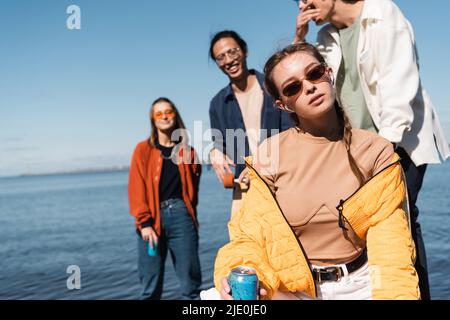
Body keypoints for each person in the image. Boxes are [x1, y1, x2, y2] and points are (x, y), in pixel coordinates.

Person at [213, 43, 420, 300]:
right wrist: (244, 276)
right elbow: (250, 236)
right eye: (292, 88)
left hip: (362, 284)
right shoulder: (269, 155)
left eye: (314, 73)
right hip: (294, 288)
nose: (309, 86)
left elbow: (391, 246)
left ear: (329, 73)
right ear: (283, 105)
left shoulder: (375, 150)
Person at [292, 0, 450, 299]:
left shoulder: (381, 12)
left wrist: (383, 151)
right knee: (365, 232)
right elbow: (301, 78)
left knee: (399, 224)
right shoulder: (326, 36)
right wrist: (299, 38)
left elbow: (400, 86)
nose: (304, 3)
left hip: (399, 141)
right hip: (356, 147)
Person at [208, 30, 294, 217]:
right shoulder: (217, 104)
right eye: (220, 57)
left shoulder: (273, 86)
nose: (228, 60)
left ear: (244, 50)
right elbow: (220, 144)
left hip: (284, 183)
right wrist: (214, 151)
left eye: (232, 52)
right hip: (246, 189)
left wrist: (260, 165)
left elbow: (292, 134)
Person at [128, 97, 202, 300]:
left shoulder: (188, 152)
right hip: (151, 221)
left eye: (168, 112)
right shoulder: (142, 150)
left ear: (175, 115)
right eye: (159, 113)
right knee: (150, 288)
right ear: (153, 119)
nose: (164, 116)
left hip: (181, 218)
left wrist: (189, 217)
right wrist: (144, 222)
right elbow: (136, 188)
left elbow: (192, 191)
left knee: (191, 287)